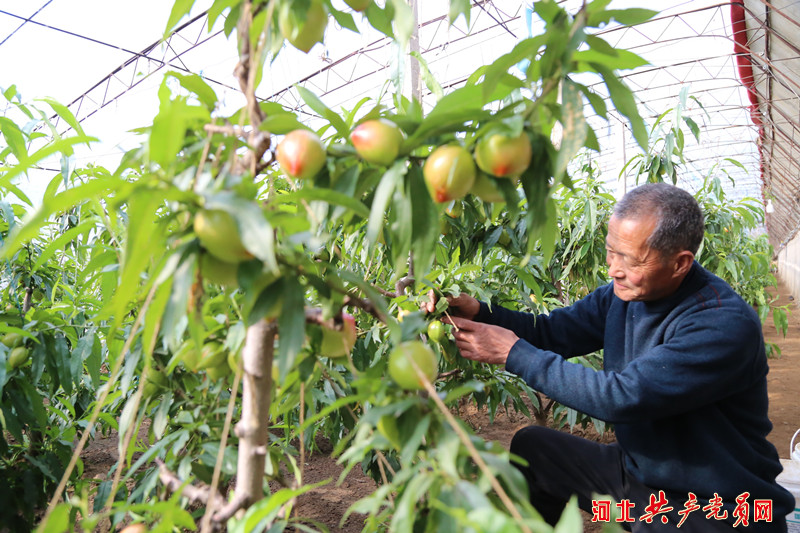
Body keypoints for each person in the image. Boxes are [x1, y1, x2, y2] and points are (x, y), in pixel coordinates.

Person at [433, 183, 793, 532]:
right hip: (640, 477)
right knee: (535, 449)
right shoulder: (621, 295)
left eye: (629, 259)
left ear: (680, 263)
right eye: (611, 251)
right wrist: (480, 312)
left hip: (715, 504)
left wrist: (513, 353)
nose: (612, 269)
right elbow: (551, 332)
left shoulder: (720, 323)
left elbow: (622, 397)